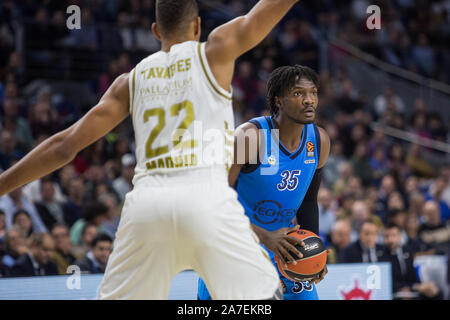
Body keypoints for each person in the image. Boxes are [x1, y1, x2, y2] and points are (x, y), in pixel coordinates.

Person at [0, 0, 303, 299]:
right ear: (197, 26)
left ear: (156, 31)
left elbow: (63, 146)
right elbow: (258, 17)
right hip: (208, 201)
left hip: (146, 209)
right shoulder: (214, 51)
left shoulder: (129, 82)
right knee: (263, 298)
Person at [198, 64, 331, 300]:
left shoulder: (319, 141)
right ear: (279, 100)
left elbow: (309, 202)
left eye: (313, 93)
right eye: (299, 93)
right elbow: (213, 204)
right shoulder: (250, 137)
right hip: (234, 243)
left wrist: (313, 254)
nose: (309, 100)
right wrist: (263, 236)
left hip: (283, 245)